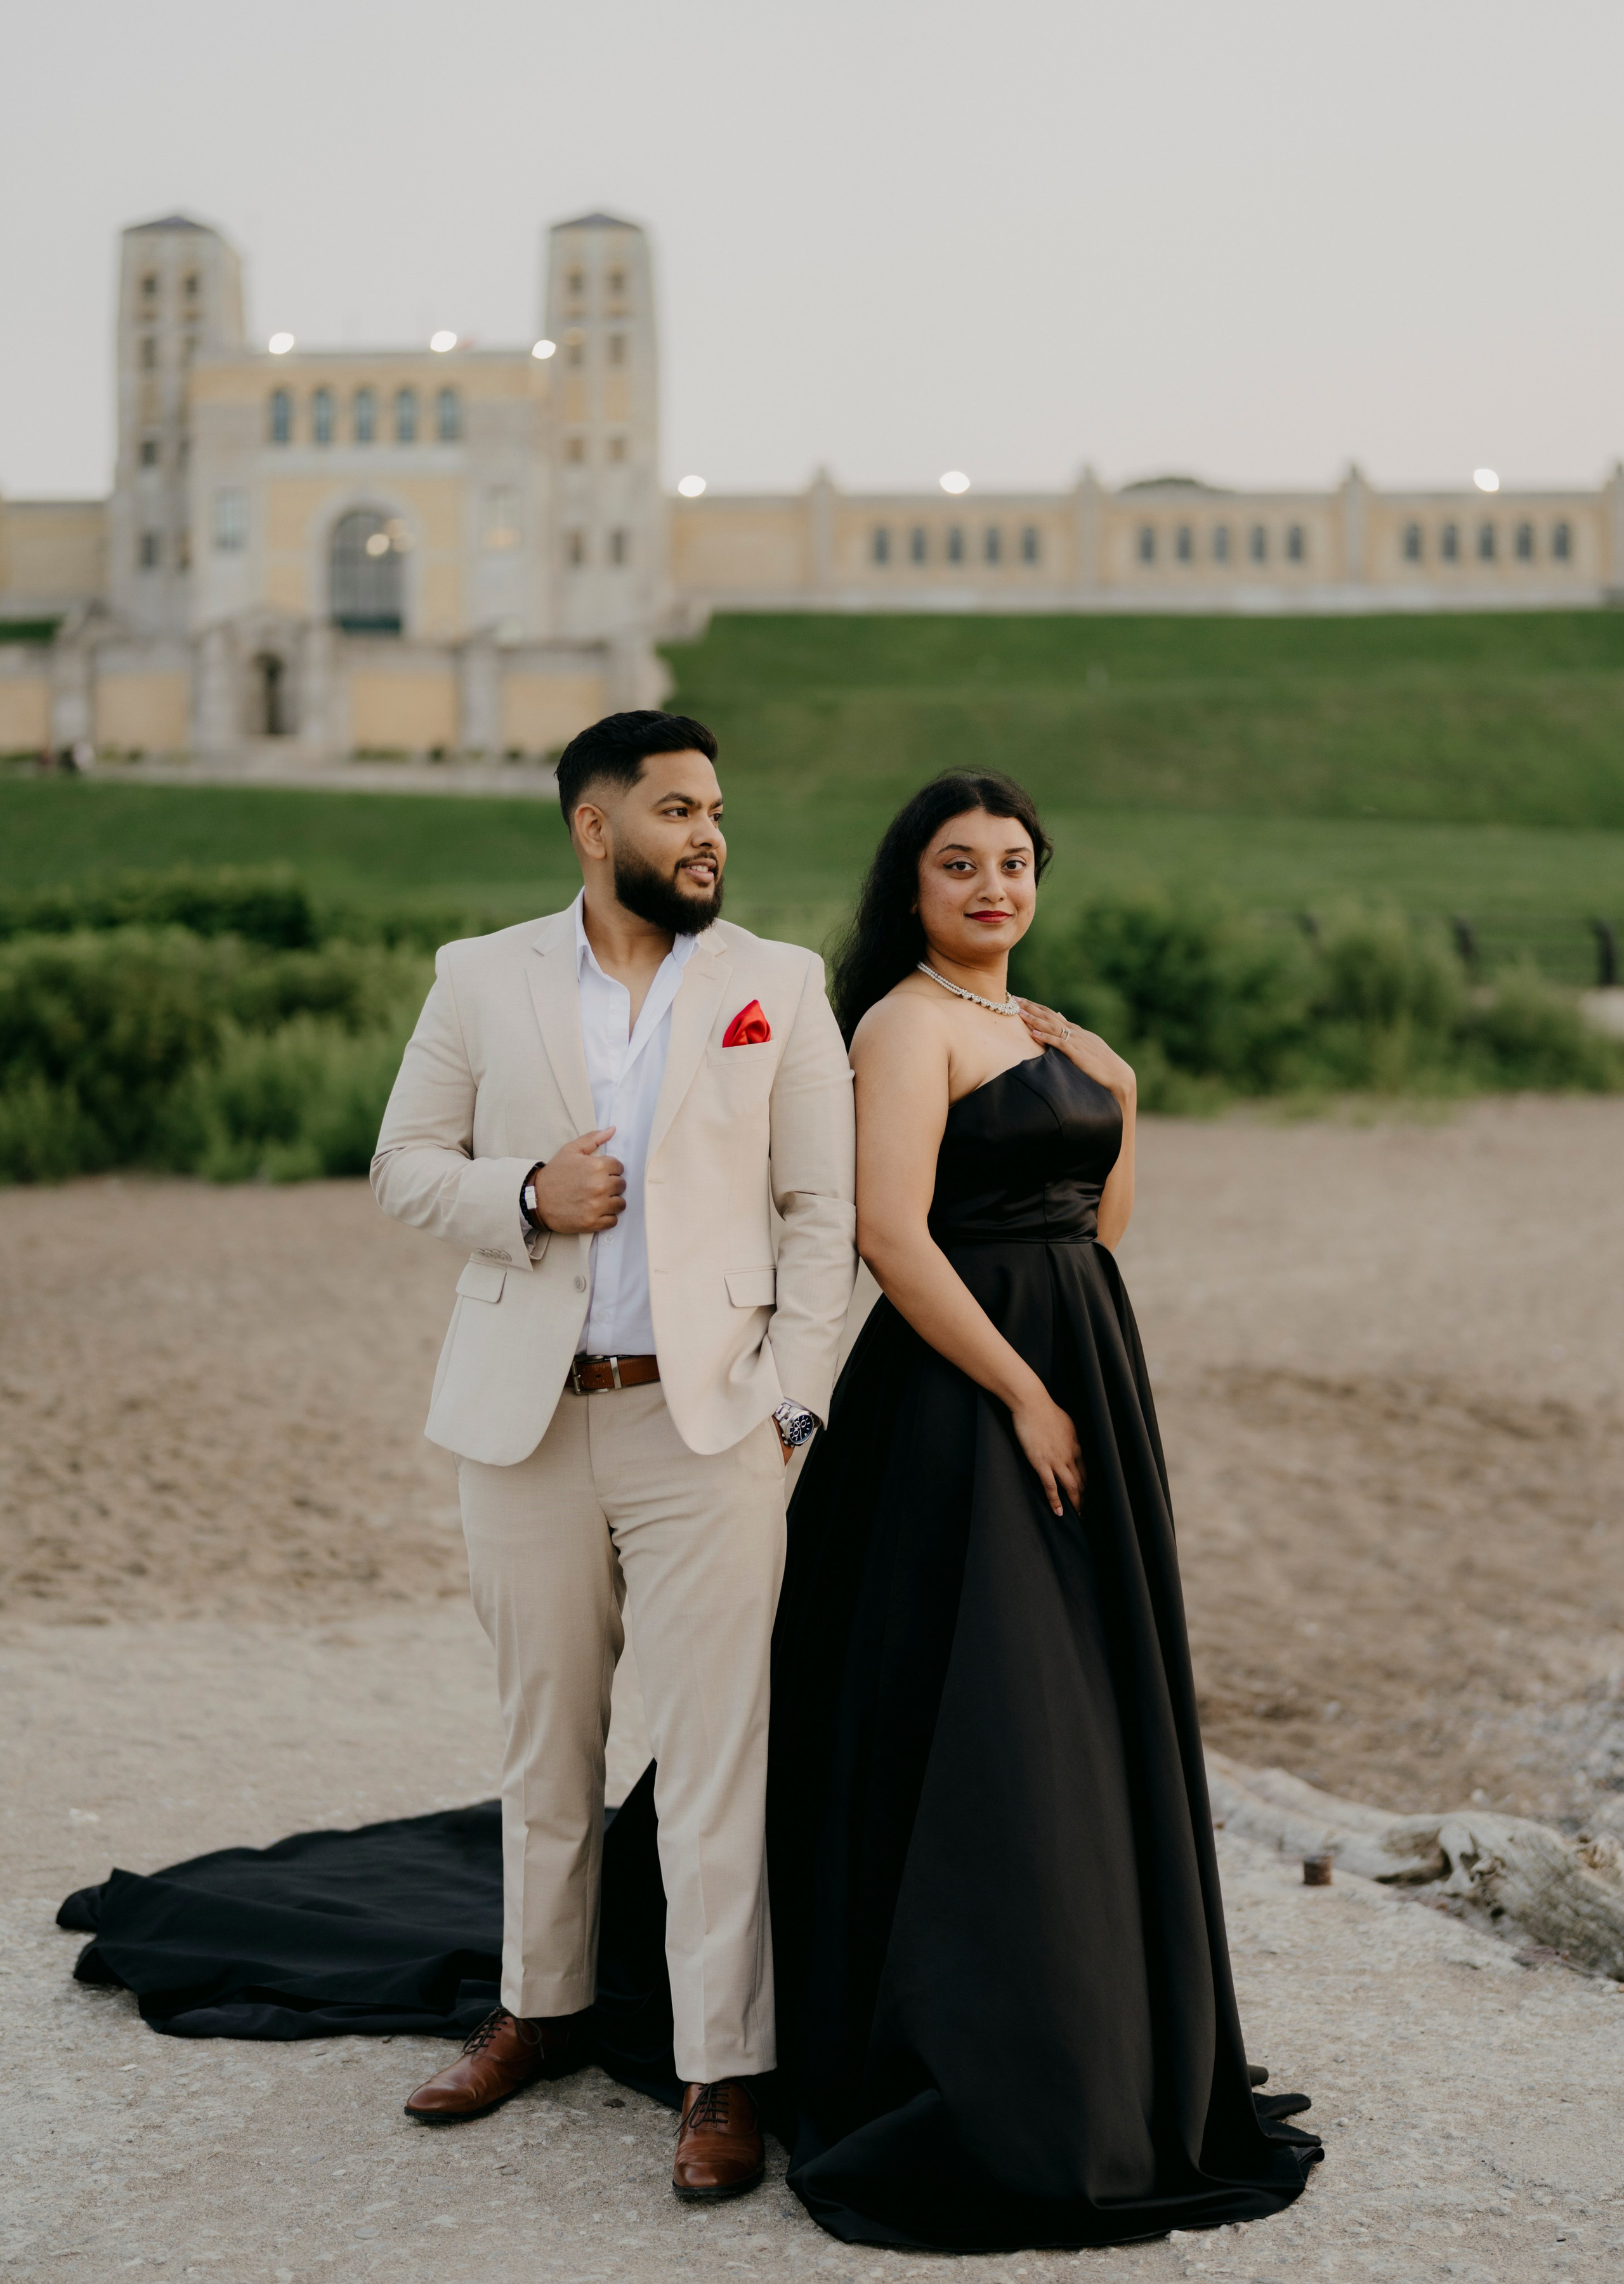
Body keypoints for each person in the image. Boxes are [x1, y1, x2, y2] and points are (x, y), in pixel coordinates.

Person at [764, 770, 1322, 2250]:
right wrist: (1021, 1391)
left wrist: (1123, 1098)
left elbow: (1096, 1225)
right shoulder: (898, 1023)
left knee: (1082, 1690)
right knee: (998, 1700)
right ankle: (981, 2036)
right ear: (912, 889)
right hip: (962, 1392)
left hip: (1085, 1351)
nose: (993, 887)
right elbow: (892, 1232)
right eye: (959, 865)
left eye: (1014, 864)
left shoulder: (1039, 1031)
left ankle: (1106, 2010)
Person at [370, 709, 856, 2199]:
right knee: (544, 1741)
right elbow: (402, 1165)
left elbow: (821, 1222)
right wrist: (526, 1189)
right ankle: (540, 2009)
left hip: (707, 1423)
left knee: (715, 1757)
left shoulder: (780, 984)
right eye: (674, 809)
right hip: (522, 1422)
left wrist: (788, 1408)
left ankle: (720, 2070)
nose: (707, 833)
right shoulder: (479, 976)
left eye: (715, 808)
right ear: (595, 828)